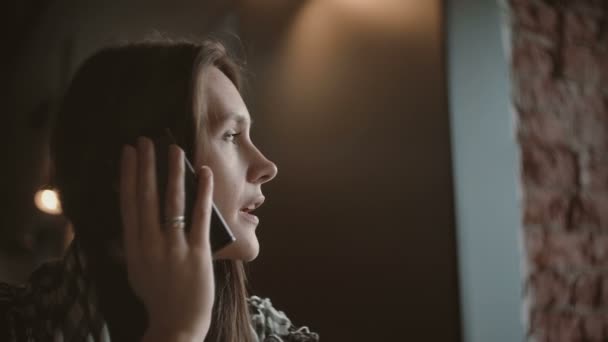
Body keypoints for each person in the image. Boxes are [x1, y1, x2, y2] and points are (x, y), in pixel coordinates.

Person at [0, 38, 319, 342]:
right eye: (232, 136)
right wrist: (178, 333)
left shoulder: (270, 331)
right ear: (146, 165)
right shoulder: (14, 323)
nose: (267, 167)